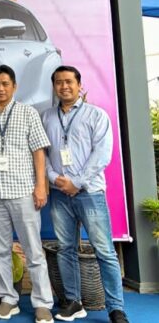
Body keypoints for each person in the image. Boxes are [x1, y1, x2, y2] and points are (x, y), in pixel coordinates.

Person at [42, 66, 129, 323]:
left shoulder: (96, 115)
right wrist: (53, 178)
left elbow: (102, 155)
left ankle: (116, 308)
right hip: (59, 193)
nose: (64, 86)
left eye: (69, 81)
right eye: (59, 82)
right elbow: (42, 154)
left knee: (104, 251)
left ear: (79, 85)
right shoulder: (46, 116)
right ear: (54, 86)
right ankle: (73, 302)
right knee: (65, 249)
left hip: (89, 192)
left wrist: (77, 183)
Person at [0, 65, 54, 323]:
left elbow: (39, 151)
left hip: (23, 191)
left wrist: (40, 186)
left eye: (5, 83)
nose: (0, 88)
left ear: (14, 86)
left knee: (33, 250)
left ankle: (42, 303)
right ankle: (8, 299)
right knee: (0, 250)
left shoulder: (28, 113)